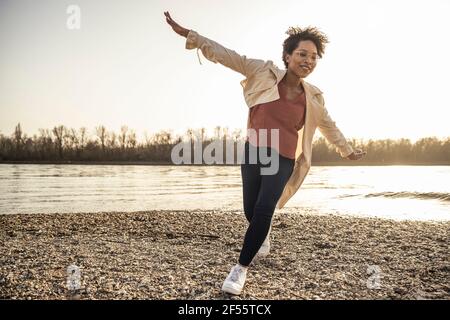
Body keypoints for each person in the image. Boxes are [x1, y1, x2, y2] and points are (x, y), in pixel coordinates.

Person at [164, 11, 366, 295]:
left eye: (313, 56)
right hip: (254, 150)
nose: (307, 61)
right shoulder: (262, 72)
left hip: (282, 158)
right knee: (251, 208)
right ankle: (263, 234)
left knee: (264, 208)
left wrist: (346, 151)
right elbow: (226, 55)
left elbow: (328, 126)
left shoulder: (315, 97)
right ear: (287, 56)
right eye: (302, 54)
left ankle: (240, 269)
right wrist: (191, 36)